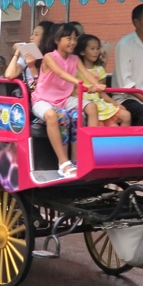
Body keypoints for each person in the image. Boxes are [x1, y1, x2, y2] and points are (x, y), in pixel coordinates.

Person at [32, 24, 104, 178]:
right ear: (57, 40)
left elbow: (86, 73)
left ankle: (88, 156)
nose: (73, 42)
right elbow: (60, 73)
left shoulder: (75, 58)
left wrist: (96, 85)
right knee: (55, 115)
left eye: (74, 39)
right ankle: (63, 163)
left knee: (90, 108)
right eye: (68, 38)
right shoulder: (49, 57)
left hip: (64, 99)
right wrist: (83, 84)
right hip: (43, 100)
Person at [75, 34, 130, 126]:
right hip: (84, 103)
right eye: (92, 49)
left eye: (97, 48)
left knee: (126, 115)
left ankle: (124, 139)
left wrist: (115, 103)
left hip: (99, 103)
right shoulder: (76, 70)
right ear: (82, 52)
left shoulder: (100, 69)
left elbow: (102, 93)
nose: (96, 52)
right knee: (108, 128)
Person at [5, 20, 54, 90]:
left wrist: (32, 66)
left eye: (36, 35)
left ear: (46, 38)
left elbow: (45, 86)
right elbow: (9, 75)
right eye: (32, 34)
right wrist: (18, 51)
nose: (31, 37)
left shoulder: (53, 57)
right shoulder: (27, 55)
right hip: (30, 96)